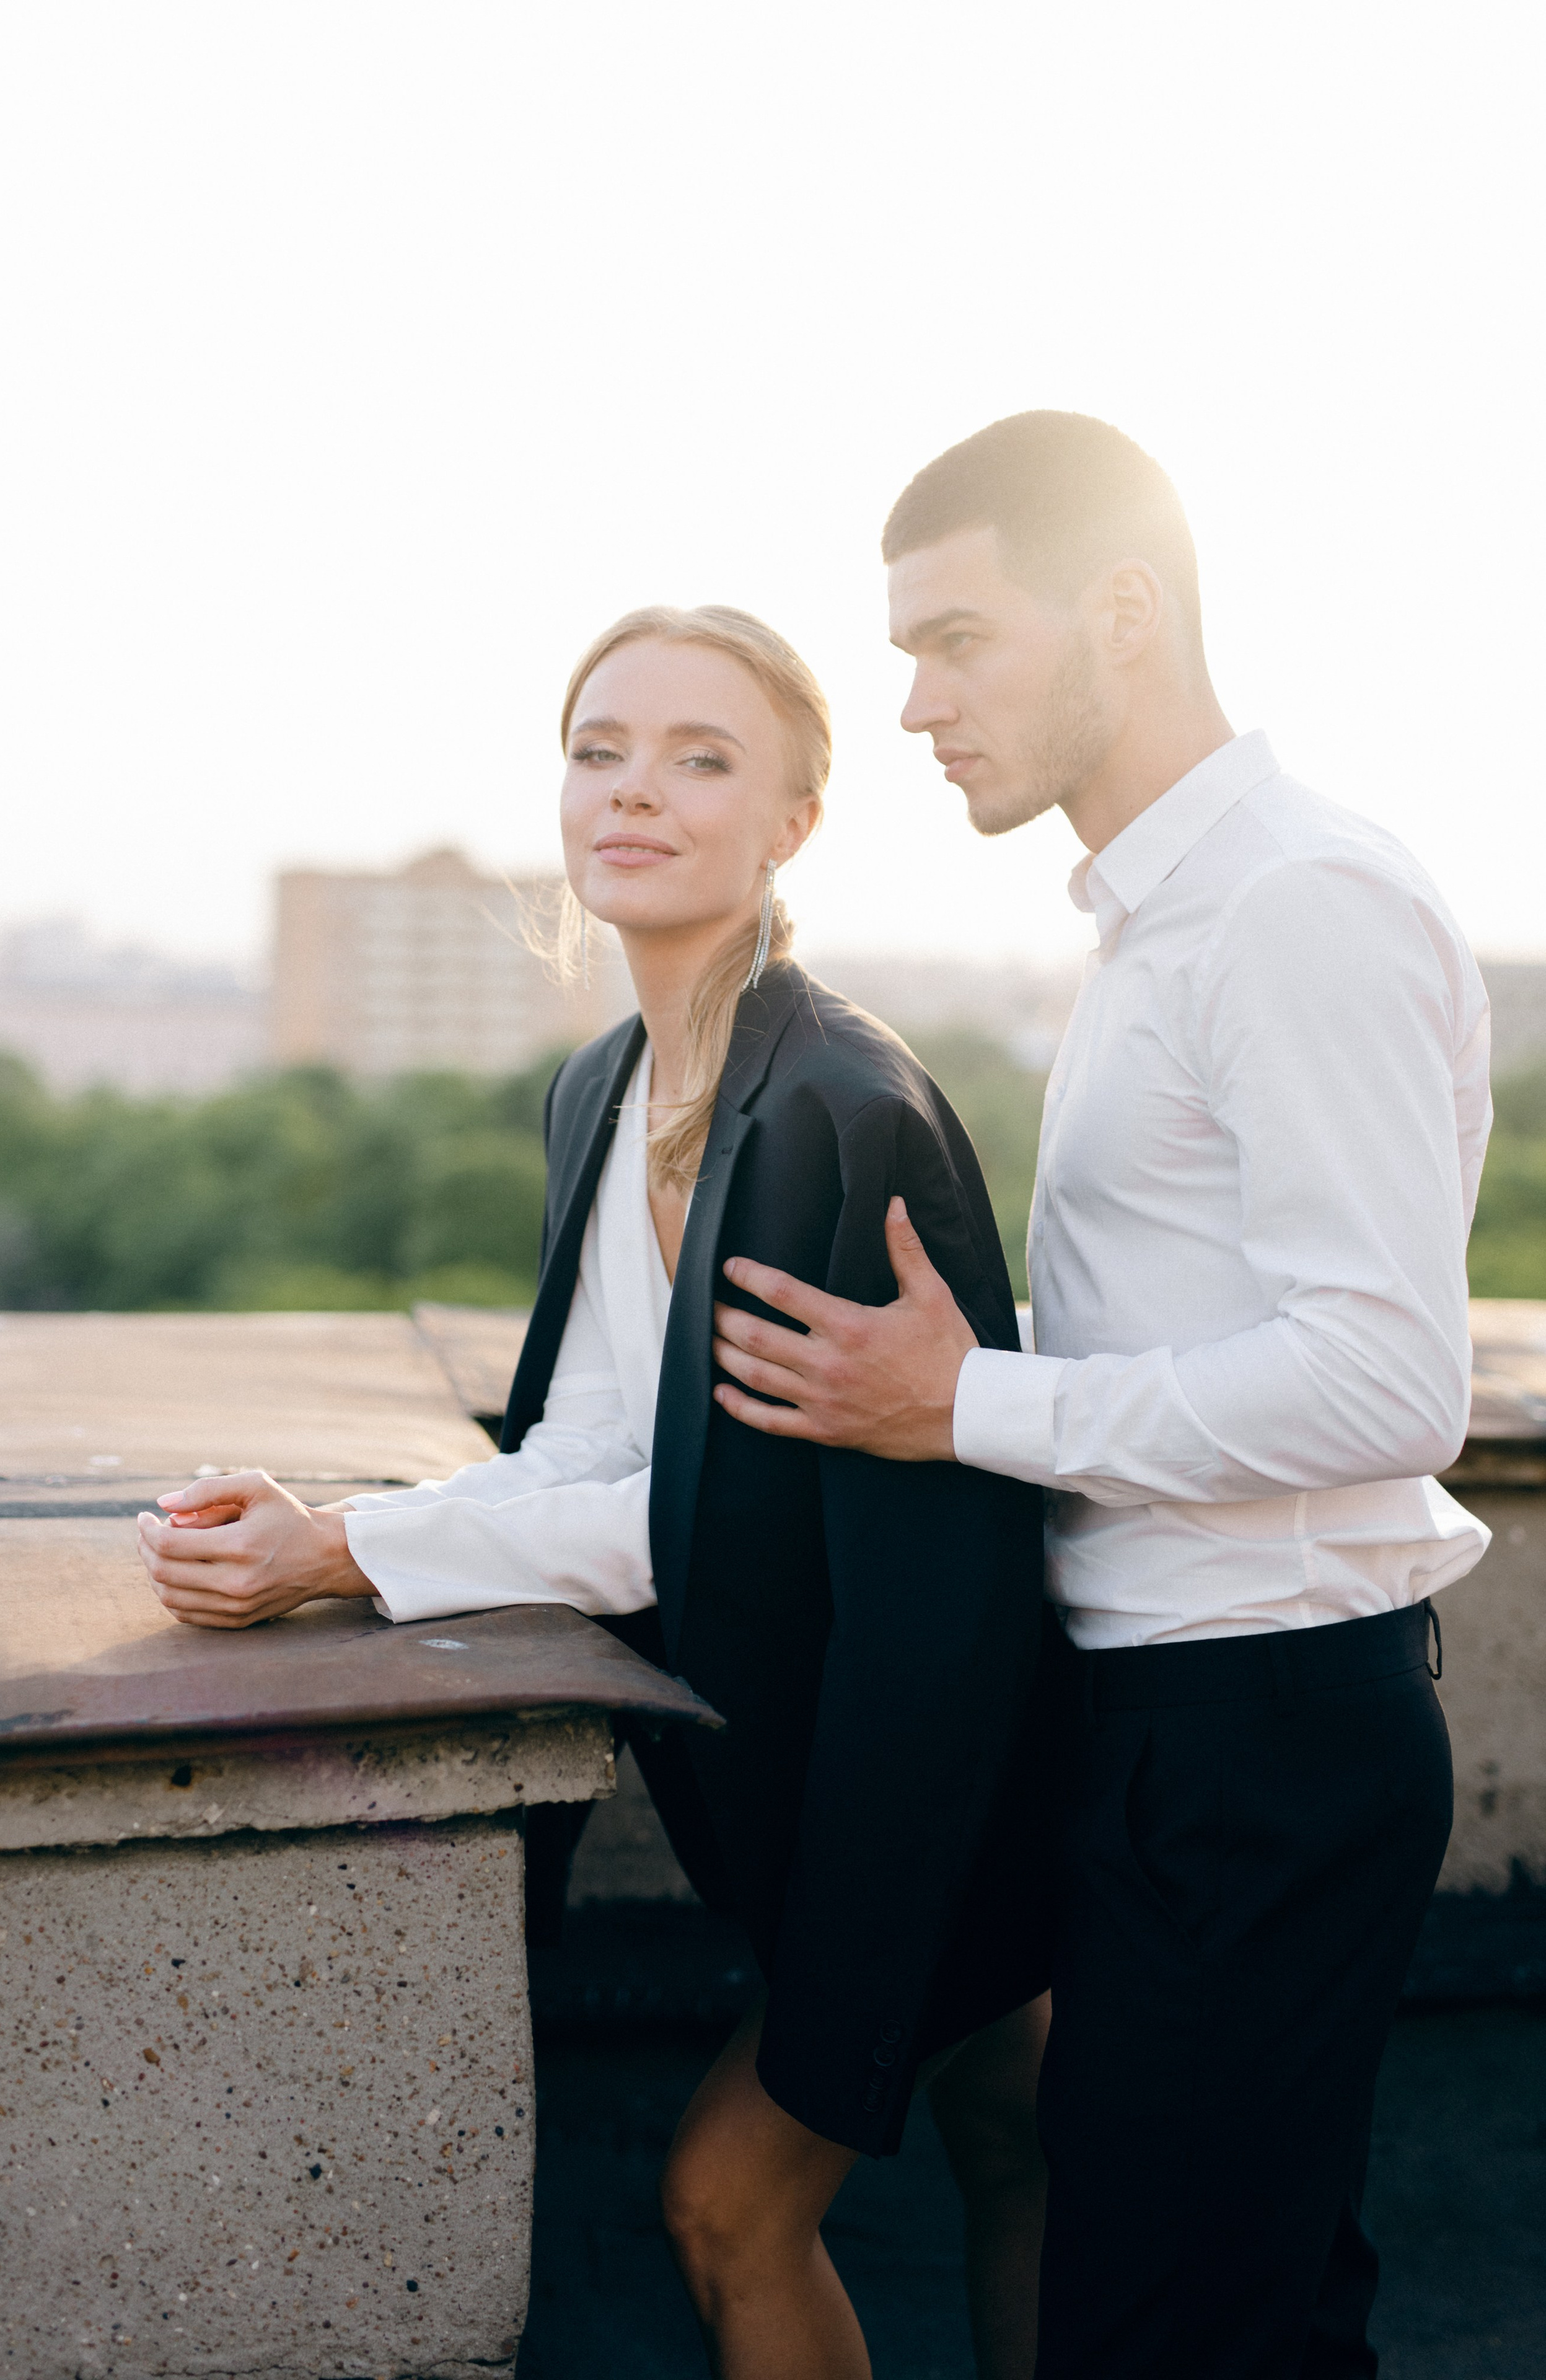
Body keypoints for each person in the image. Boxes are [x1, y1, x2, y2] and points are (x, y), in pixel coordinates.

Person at [136, 603, 1052, 2380]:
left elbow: (729, 1517)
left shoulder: (835, 1106)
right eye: (599, 750)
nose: (632, 791)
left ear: (792, 822)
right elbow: (591, 1447)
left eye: (701, 759)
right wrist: (340, 1523)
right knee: (1015, 2131)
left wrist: (343, 1555)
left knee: (732, 2204)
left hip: (935, 1770)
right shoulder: (598, 1088)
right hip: (807, 1767)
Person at [708, 413, 1492, 2378]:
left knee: (1183, 2335)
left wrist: (968, 1406)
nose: (917, 703)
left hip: (1263, 1740)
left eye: (959, 640)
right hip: (1179, 1731)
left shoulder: (1293, 903)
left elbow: (1389, 1378)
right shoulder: (1161, 918)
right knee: (1231, 2321)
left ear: (1124, 611)